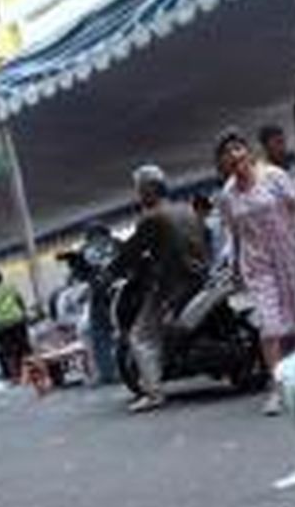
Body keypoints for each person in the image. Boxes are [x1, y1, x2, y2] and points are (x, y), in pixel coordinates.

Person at [216, 129, 295, 416]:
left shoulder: (274, 176)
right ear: (222, 164)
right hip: (259, 266)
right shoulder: (228, 195)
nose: (234, 156)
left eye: (237, 149)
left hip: (291, 256)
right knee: (270, 327)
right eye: (227, 154)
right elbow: (233, 235)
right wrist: (233, 269)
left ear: (248, 151)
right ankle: (279, 388)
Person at [108, 165, 210, 413]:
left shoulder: (152, 217)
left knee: (140, 336)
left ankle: (153, 393)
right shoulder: (186, 210)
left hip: (173, 285)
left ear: (150, 190)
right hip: (201, 278)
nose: (138, 196)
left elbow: (131, 251)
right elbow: (205, 237)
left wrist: (112, 270)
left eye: (140, 190)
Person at [78, 224, 121, 384]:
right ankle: (129, 367)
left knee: (100, 335)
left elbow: (80, 275)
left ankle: (108, 373)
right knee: (124, 331)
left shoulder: (84, 250)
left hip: (100, 296)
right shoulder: (117, 243)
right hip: (120, 291)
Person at [0, 261, 32, 384]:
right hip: (17, 318)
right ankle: (34, 371)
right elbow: (19, 300)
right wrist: (23, 315)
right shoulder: (8, 283)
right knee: (24, 347)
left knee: (8, 351)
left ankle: (16, 376)